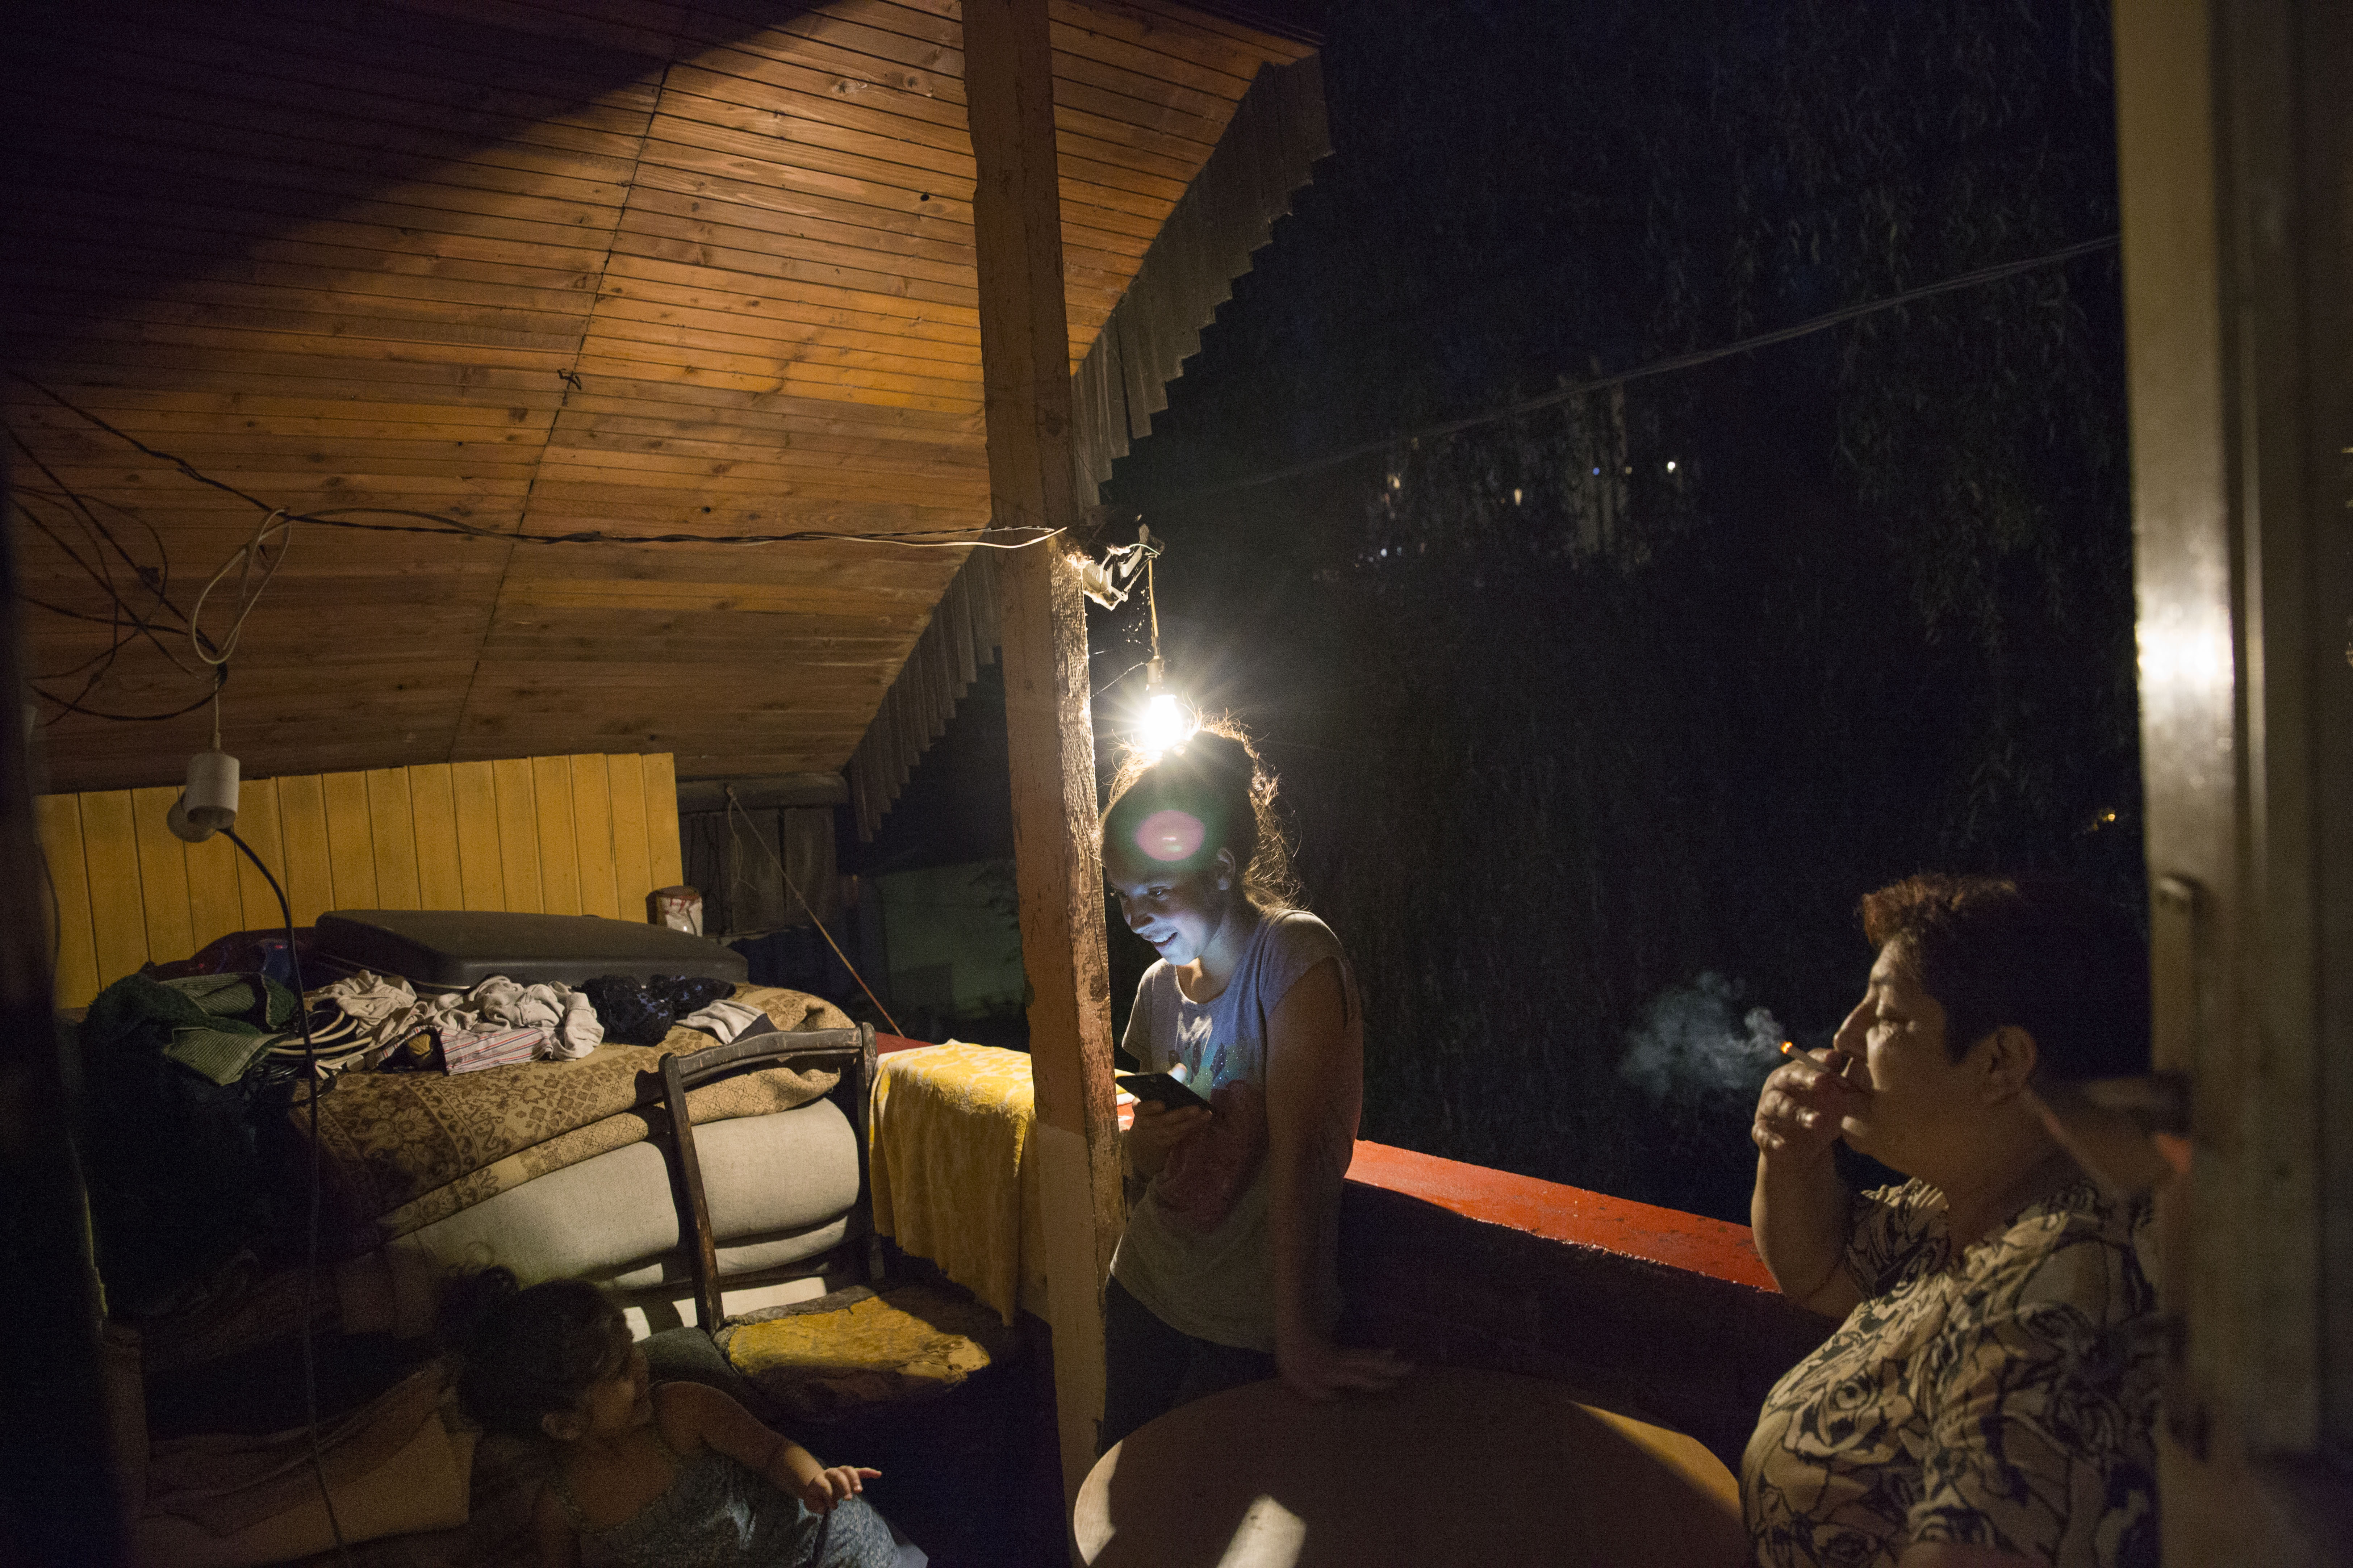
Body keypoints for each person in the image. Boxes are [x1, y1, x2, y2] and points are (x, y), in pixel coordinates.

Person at [1743, 873, 2161, 1568]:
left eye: (1886, 1017)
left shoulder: (2053, 1296)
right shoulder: (1961, 1210)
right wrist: (1789, 1160)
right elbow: (1818, 1269)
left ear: (2000, 1063)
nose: (1845, 1036)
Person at [1097, 722, 1409, 1452]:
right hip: (1144, 1285)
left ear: (1219, 869)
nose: (1136, 918)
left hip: (1247, 1325)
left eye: (1156, 891)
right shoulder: (1156, 988)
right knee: (1127, 1489)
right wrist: (1144, 1140)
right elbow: (1146, 1160)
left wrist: (1296, 1335)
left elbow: (1302, 1158)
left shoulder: (1291, 956)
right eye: (1123, 896)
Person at [447, 1269, 903, 1568]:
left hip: (824, 1548)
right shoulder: (560, 1508)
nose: (641, 1365)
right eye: (621, 1370)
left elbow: (771, 1451)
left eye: (633, 1348)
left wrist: (813, 1482)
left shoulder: (681, 1409)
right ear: (565, 1424)